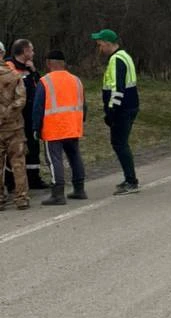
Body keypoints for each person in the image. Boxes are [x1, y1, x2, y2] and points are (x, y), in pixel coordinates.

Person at [33, 50, 87, 206]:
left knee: (54, 159)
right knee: (74, 156)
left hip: (53, 127)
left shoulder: (45, 81)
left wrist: (36, 128)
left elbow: (38, 107)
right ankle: (79, 188)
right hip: (72, 126)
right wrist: (80, 121)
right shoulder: (76, 80)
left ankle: (57, 193)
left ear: (49, 63)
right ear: (63, 63)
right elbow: (84, 104)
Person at [91, 29, 139, 194]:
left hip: (122, 108)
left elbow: (118, 89)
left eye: (100, 44)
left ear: (108, 43)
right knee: (121, 143)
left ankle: (131, 181)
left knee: (120, 143)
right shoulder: (124, 56)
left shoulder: (117, 59)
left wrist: (111, 111)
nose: (99, 48)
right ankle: (129, 178)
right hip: (130, 105)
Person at [4, 38, 49, 191]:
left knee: (33, 145)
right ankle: (11, 182)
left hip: (31, 114)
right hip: (15, 115)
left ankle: (34, 178)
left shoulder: (29, 68)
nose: (34, 52)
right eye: (31, 50)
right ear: (24, 51)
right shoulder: (9, 66)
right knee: (14, 149)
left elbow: (40, 86)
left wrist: (34, 71)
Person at [0, 41, 29, 210]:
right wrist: (8, 114)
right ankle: (21, 198)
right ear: (3, 54)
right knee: (18, 162)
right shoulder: (14, 76)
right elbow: (21, 100)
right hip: (14, 127)